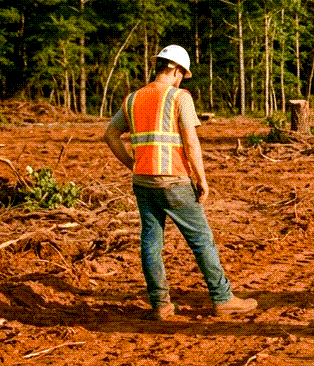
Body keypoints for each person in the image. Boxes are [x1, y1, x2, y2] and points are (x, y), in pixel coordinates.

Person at [104, 44, 257, 320]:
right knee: (201, 240)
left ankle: (160, 304)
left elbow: (110, 135)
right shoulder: (179, 97)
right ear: (175, 70)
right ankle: (223, 298)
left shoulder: (132, 99)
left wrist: (133, 164)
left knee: (151, 241)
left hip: (143, 182)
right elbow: (190, 141)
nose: (181, 80)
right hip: (175, 181)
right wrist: (201, 179)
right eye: (182, 75)